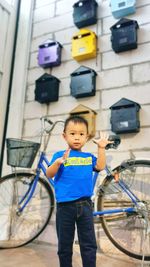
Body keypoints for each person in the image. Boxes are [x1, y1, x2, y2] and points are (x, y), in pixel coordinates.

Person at [46, 115, 113, 267]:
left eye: (81, 134)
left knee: (88, 244)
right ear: (64, 136)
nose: (77, 138)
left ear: (87, 137)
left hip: (85, 205)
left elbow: (100, 166)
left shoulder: (88, 157)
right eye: (73, 133)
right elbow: (49, 174)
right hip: (65, 207)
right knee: (64, 245)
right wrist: (57, 164)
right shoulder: (60, 155)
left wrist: (101, 148)